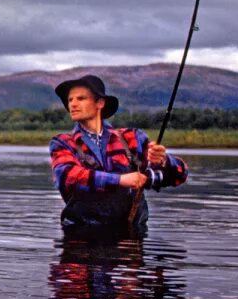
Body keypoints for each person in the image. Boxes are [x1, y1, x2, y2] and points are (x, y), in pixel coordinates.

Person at [49, 75, 188, 228]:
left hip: (131, 236)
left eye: (81, 98)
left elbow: (180, 175)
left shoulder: (132, 138)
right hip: (79, 235)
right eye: (70, 100)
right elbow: (67, 176)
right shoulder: (62, 142)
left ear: (100, 103)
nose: (73, 104)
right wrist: (120, 180)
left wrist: (163, 161)